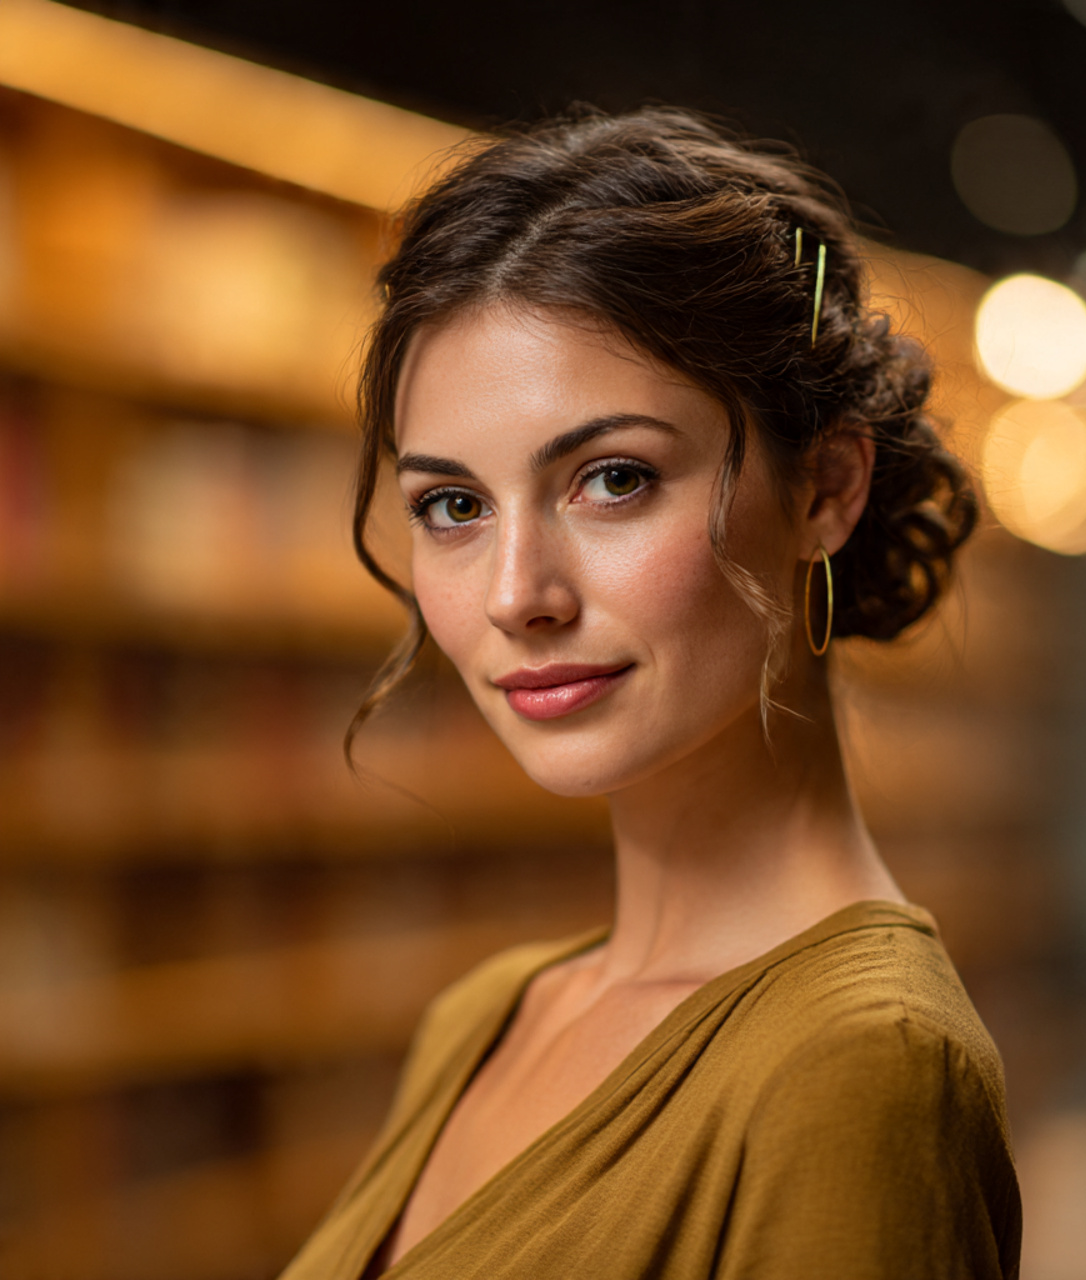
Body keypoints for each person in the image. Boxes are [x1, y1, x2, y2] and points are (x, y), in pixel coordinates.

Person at [280, 105, 1021, 1280]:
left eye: (611, 479)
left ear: (825, 486)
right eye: (453, 505)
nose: (519, 593)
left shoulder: (863, 1063)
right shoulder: (483, 1016)